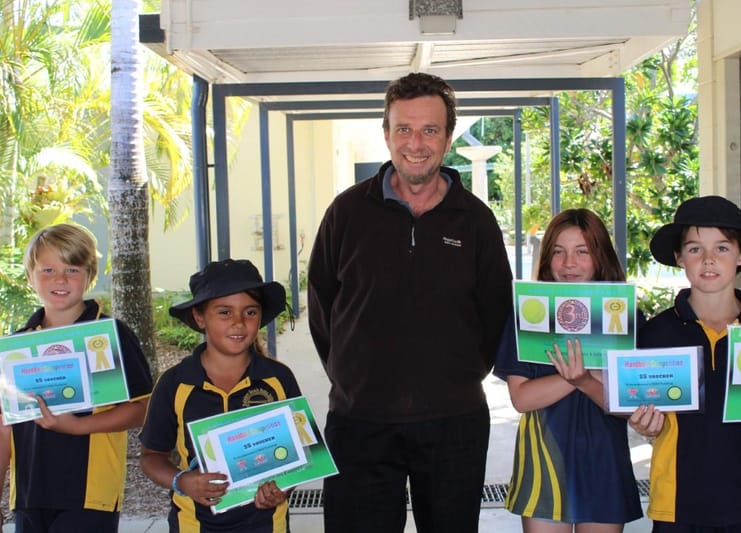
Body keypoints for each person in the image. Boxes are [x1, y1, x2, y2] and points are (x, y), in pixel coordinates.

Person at [307, 72, 513, 533]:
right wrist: (351, 374)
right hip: (359, 422)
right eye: (404, 129)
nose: (415, 143)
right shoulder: (346, 213)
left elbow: (495, 310)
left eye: (429, 130)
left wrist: (456, 376)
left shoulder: (476, 221)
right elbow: (322, 305)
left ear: (448, 138)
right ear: (386, 134)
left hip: (454, 423)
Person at [629, 195, 741, 532]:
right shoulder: (654, 334)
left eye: (722, 248)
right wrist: (644, 424)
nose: (708, 259)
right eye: (695, 249)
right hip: (677, 504)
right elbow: (644, 412)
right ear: (679, 257)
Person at [493, 208, 643, 532]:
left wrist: (584, 379)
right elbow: (522, 398)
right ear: (547, 258)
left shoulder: (624, 317)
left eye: (582, 252)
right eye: (558, 252)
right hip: (545, 458)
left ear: (600, 256)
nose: (569, 263)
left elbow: (628, 407)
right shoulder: (528, 316)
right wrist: (578, 376)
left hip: (605, 458)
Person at [0, 223, 154, 532]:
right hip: (29, 496)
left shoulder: (107, 335)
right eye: (48, 270)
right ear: (30, 276)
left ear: (89, 274)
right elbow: (5, 424)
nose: (60, 279)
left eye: (72, 269)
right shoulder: (17, 347)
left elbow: (142, 409)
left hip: (90, 496)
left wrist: (76, 426)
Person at [139, 258, 301, 533]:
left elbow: (304, 453)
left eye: (250, 312)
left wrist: (283, 488)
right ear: (200, 317)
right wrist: (182, 481)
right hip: (193, 525)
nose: (239, 323)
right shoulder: (175, 384)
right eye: (225, 312)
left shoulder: (278, 379)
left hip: (266, 526)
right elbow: (151, 456)